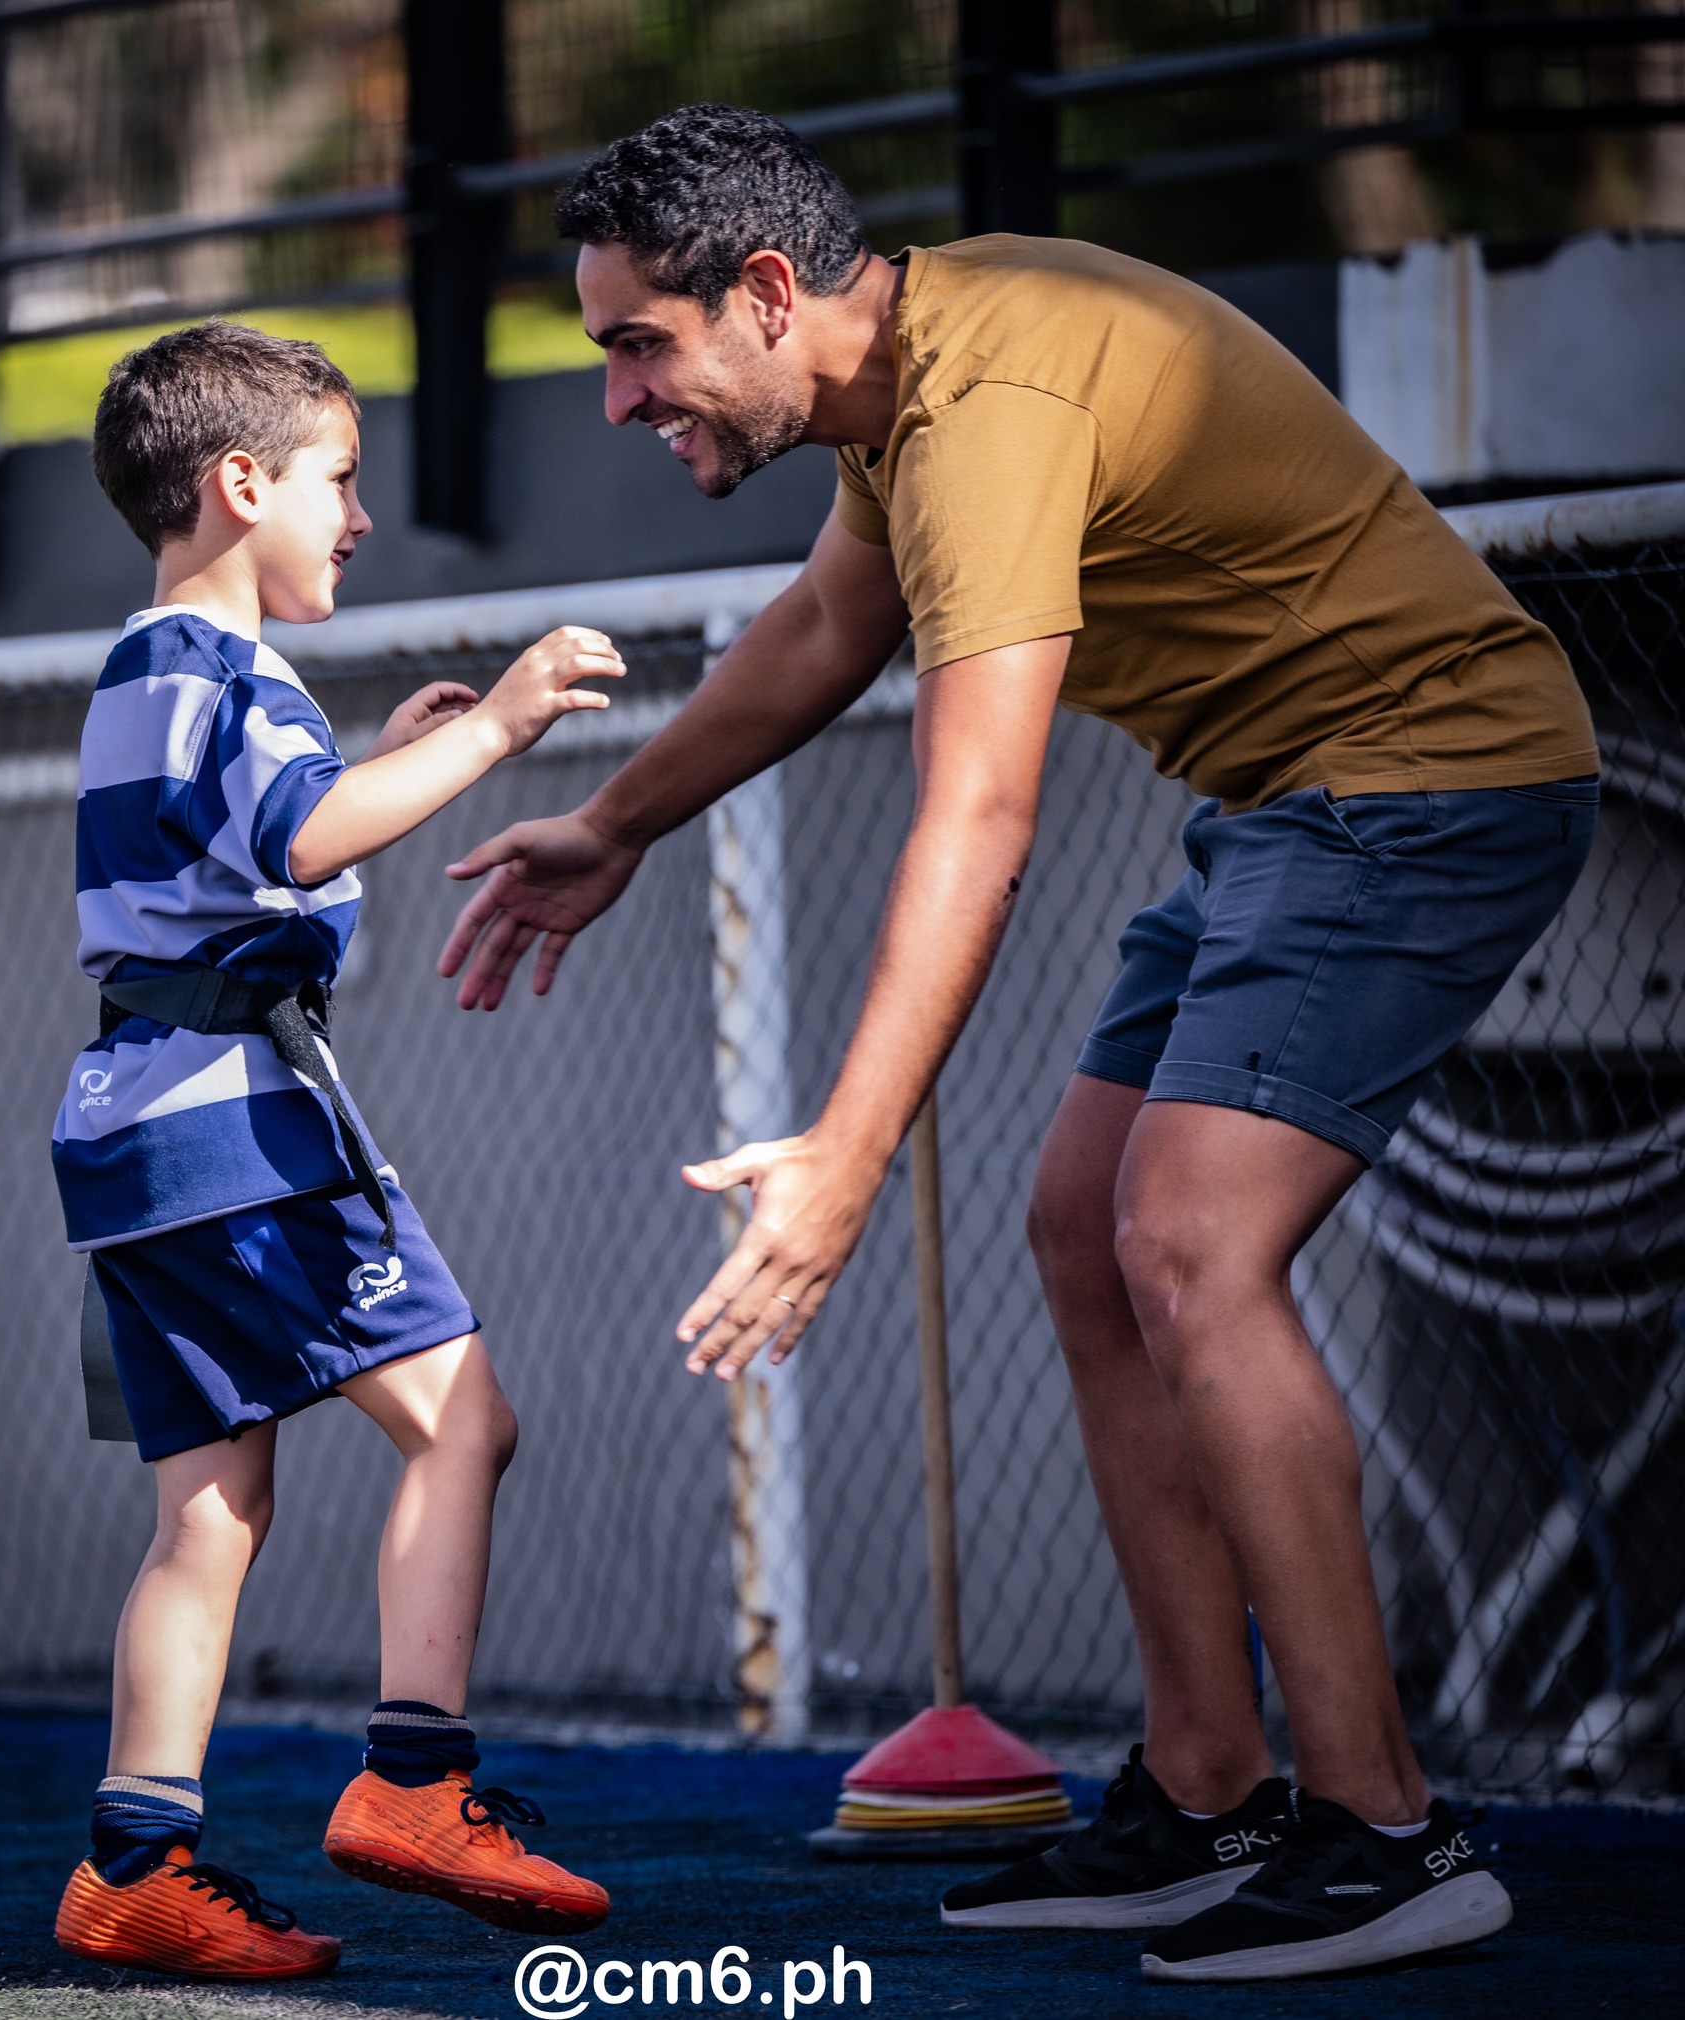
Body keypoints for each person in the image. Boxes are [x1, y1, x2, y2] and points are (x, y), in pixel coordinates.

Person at [437, 107, 1598, 1984]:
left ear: (761, 293)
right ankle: (1211, 1785)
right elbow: (828, 623)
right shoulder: (905, 380)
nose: (616, 399)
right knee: (1089, 1226)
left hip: (1429, 780)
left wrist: (842, 1163)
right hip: (1282, 807)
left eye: (634, 346)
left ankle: (1390, 1831)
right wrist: (620, 822)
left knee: (1188, 1243)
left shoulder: (984, 409)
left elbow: (979, 822)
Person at [48, 321, 618, 1981]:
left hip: (133, 1135)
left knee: (208, 1517)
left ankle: (133, 1866)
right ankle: (415, 1783)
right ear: (241, 484)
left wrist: (386, 762)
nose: (359, 517)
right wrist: (496, 729)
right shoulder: (221, 670)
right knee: (466, 1422)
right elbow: (302, 837)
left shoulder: (144, 668)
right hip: (241, 1131)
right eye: (338, 481)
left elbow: (246, 854)